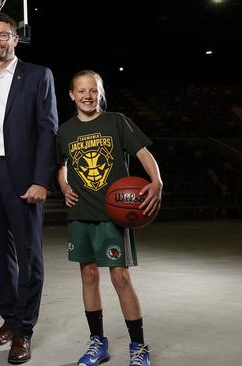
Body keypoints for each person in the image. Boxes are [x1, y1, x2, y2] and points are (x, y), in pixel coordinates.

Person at [0, 13, 58, 364]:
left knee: (29, 256)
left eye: (2, 35)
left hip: (23, 176)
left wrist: (41, 180)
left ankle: (25, 331)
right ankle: (9, 319)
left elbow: (47, 130)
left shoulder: (38, 75)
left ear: (15, 39)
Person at [56, 70, 161, 366]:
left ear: (100, 93)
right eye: (82, 91)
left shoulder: (116, 121)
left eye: (93, 90)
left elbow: (142, 153)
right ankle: (97, 343)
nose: (87, 96)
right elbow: (62, 165)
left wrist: (157, 181)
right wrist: (64, 185)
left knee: (119, 277)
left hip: (112, 214)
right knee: (88, 275)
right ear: (72, 95)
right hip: (80, 213)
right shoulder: (64, 131)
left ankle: (138, 346)